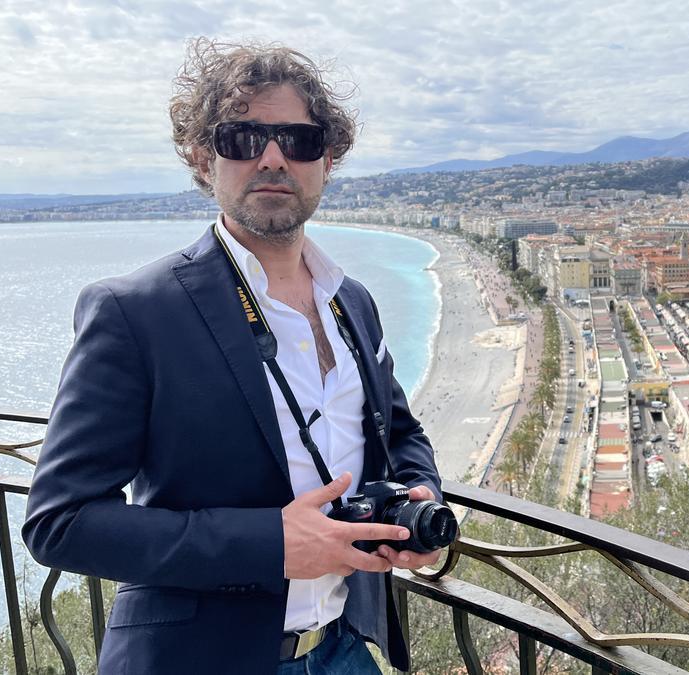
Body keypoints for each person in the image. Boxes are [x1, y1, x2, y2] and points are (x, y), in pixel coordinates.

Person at [22, 38, 445, 675]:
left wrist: (418, 496)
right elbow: (61, 521)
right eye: (243, 138)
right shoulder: (134, 312)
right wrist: (268, 545)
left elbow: (399, 430)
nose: (273, 158)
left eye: (298, 141)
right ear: (202, 157)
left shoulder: (352, 302)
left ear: (327, 160)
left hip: (345, 648)